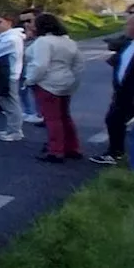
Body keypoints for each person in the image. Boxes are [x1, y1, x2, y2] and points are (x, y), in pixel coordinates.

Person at [25, 13, 85, 163]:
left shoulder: (43, 42)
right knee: (65, 116)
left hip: (47, 83)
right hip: (66, 81)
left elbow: (41, 64)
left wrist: (30, 80)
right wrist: (72, 79)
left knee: (52, 118)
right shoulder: (69, 41)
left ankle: (56, 150)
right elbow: (79, 64)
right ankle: (73, 147)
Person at [92, 1, 134, 165]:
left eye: (129, 25)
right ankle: (116, 152)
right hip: (122, 91)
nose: (125, 27)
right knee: (113, 120)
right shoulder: (130, 44)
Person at [0, 12, 26, 141]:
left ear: (9, 23)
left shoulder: (11, 39)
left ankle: (15, 131)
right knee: (5, 102)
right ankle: (11, 129)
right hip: (3, 73)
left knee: (11, 103)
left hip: (9, 75)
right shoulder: (6, 37)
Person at [18, 8, 42, 124]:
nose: (25, 24)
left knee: (37, 93)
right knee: (21, 91)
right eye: (22, 22)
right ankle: (28, 111)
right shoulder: (21, 35)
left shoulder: (43, 37)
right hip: (22, 68)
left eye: (28, 20)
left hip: (36, 70)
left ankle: (40, 114)